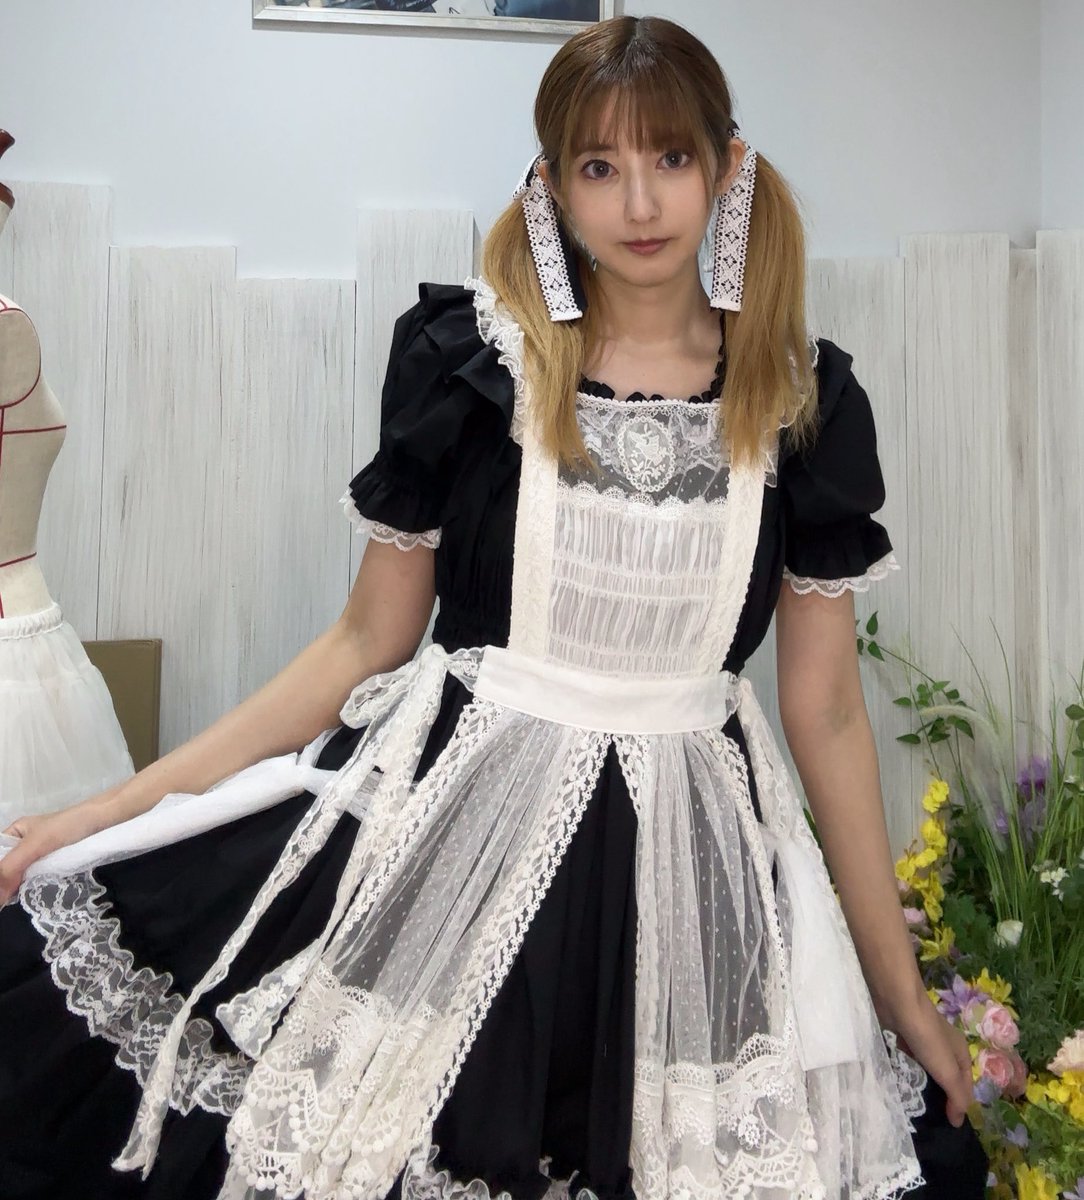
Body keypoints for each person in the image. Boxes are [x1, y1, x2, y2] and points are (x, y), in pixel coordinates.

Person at [0, 15, 989, 1200]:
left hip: (694, 881)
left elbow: (824, 713)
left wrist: (899, 993)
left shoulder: (800, 399)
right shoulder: (469, 368)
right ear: (550, 187)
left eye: (671, 158)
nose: (639, 202)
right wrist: (114, 808)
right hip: (443, 848)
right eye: (599, 166)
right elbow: (363, 642)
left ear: (729, 168)